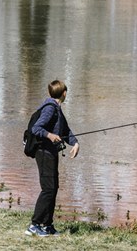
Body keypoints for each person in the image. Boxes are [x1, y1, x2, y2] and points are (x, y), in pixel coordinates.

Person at [26, 79, 79, 237]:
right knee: (48, 189)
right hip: (43, 152)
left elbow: (65, 131)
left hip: (51, 152)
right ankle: (34, 225)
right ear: (64, 93)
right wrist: (49, 135)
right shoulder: (50, 108)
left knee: (53, 188)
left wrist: (75, 143)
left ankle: (47, 224)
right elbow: (36, 128)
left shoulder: (57, 109)